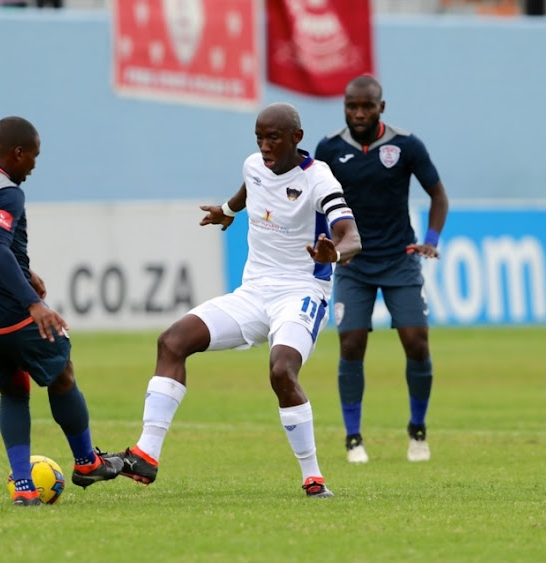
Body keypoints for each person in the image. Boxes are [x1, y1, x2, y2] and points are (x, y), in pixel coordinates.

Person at [107, 103, 361, 498]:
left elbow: (352, 236)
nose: (264, 146)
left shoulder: (319, 180)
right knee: (172, 341)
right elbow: (250, 189)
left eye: (273, 137)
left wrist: (336, 253)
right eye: (259, 138)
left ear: (297, 137)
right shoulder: (254, 165)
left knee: (281, 372)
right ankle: (146, 455)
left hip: (300, 293)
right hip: (252, 293)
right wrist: (227, 211)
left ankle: (313, 477)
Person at [0, 116, 122, 506]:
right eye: (33, 158)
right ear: (17, 153)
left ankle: (23, 487)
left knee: (13, 388)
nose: (33, 167)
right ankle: (87, 462)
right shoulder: (6, 192)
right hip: (8, 314)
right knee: (62, 371)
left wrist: (26, 272)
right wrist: (33, 303)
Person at [314, 74, 449, 464]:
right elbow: (315, 200)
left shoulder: (406, 145)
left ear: (381, 107)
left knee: (416, 342)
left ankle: (417, 431)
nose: (358, 113)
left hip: (400, 260)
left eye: (366, 106)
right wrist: (326, 245)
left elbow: (438, 195)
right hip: (354, 264)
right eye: (351, 106)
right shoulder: (329, 148)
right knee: (352, 345)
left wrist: (432, 239)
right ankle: (353, 438)